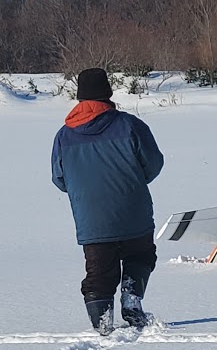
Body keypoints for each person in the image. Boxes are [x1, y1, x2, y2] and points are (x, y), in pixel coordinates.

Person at [51, 67, 164, 334]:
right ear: (108, 94)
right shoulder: (130, 125)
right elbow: (154, 163)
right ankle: (131, 298)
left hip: (91, 218)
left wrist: (85, 193)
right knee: (140, 255)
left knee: (99, 271)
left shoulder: (63, 136)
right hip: (133, 209)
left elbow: (59, 178)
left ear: (79, 98)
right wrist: (132, 183)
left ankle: (101, 321)